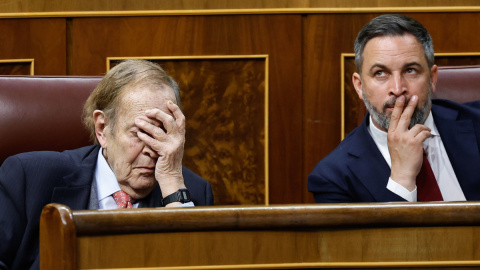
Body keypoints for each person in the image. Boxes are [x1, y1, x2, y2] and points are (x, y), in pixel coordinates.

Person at [0, 59, 214, 269]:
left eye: (163, 132)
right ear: (102, 128)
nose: (152, 149)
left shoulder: (192, 194)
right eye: (140, 133)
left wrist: (173, 188)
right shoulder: (29, 179)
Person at [308, 14, 480, 203]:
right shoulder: (334, 178)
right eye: (380, 73)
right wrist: (402, 179)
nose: (398, 89)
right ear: (359, 86)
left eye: (410, 70)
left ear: (432, 78)